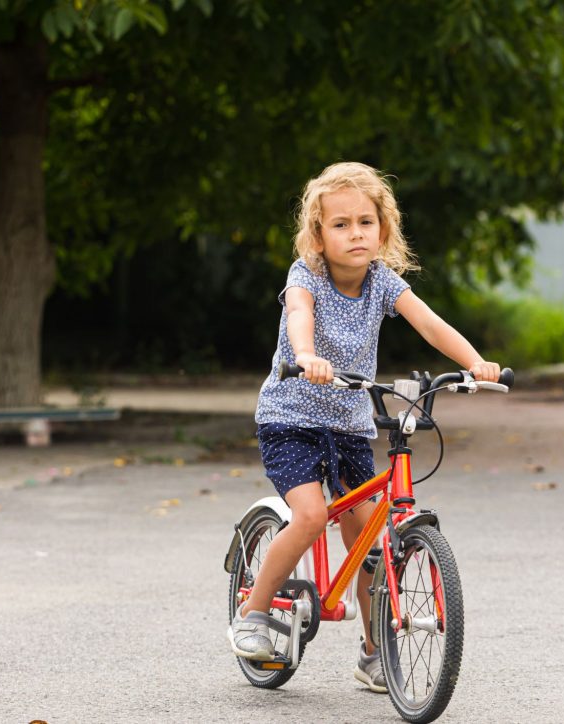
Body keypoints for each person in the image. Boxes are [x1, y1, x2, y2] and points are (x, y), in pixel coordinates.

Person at [228, 161, 501, 693]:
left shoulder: (381, 282)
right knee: (309, 517)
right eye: (340, 224)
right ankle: (254, 614)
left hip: (350, 423)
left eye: (365, 223)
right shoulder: (306, 276)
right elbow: (299, 316)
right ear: (318, 234)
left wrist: (476, 363)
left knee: (370, 538)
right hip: (291, 418)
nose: (355, 233)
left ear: (383, 230)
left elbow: (429, 323)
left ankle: (376, 654)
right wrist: (306, 355)